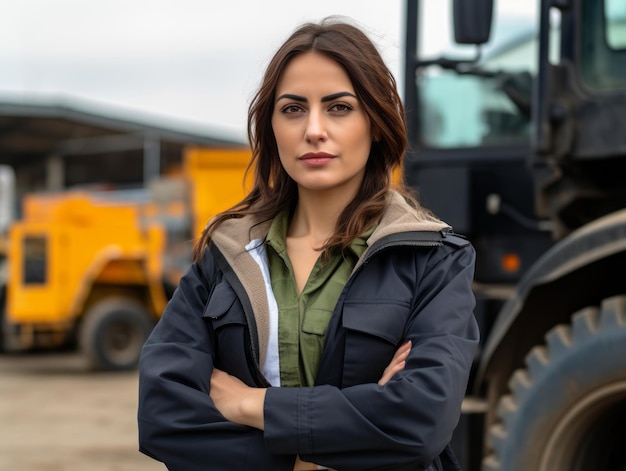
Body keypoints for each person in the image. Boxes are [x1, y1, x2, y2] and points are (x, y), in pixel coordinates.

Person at [138, 18, 479, 471]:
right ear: (272, 127)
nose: (313, 130)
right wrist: (309, 460)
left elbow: (419, 421)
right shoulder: (225, 256)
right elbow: (163, 416)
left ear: (375, 123)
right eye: (293, 109)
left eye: (338, 108)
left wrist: (250, 406)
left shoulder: (434, 259)